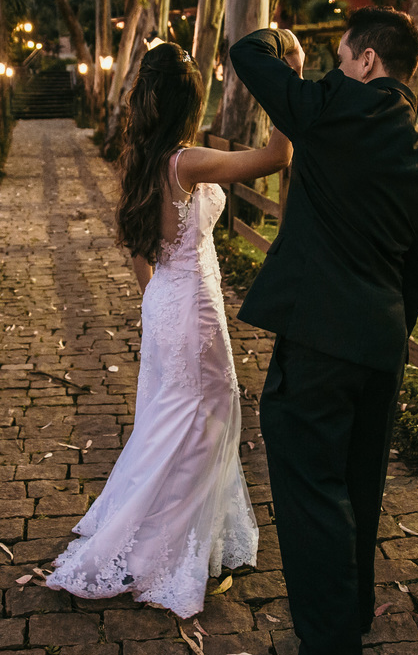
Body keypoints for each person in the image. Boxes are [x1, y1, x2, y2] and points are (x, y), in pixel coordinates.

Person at [232, 8, 418, 655]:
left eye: (340, 56)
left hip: (320, 342)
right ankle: (346, 624)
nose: (335, 68)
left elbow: (248, 55)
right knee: (357, 488)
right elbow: (416, 273)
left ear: (366, 62)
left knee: (313, 497)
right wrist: (384, 328)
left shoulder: (332, 107)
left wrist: (289, 50)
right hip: (381, 345)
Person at [45, 41, 299, 618]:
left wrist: (155, 304)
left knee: (172, 419)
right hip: (191, 304)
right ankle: (170, 549)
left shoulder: (141, 157)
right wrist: (292, 77)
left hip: (164, 300)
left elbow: (141, 249)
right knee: (206, 421)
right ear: (190, 102)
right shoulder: (187, 162)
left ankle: (176, 533)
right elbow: (278, 155)